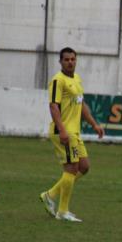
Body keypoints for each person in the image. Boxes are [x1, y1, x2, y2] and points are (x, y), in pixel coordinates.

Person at [39, 47, 105, 222]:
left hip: (74, 132)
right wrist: (62, 130)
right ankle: (62, 211)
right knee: (71, 169)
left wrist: (94, 124)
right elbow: (53, 106)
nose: (70, 62)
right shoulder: (57, 81)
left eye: (72, 59)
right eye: (66, 59)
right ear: (60, 62)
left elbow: (82, 105)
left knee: (84, 167)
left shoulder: (76, 79)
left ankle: (50, 195)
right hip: (64, 131)